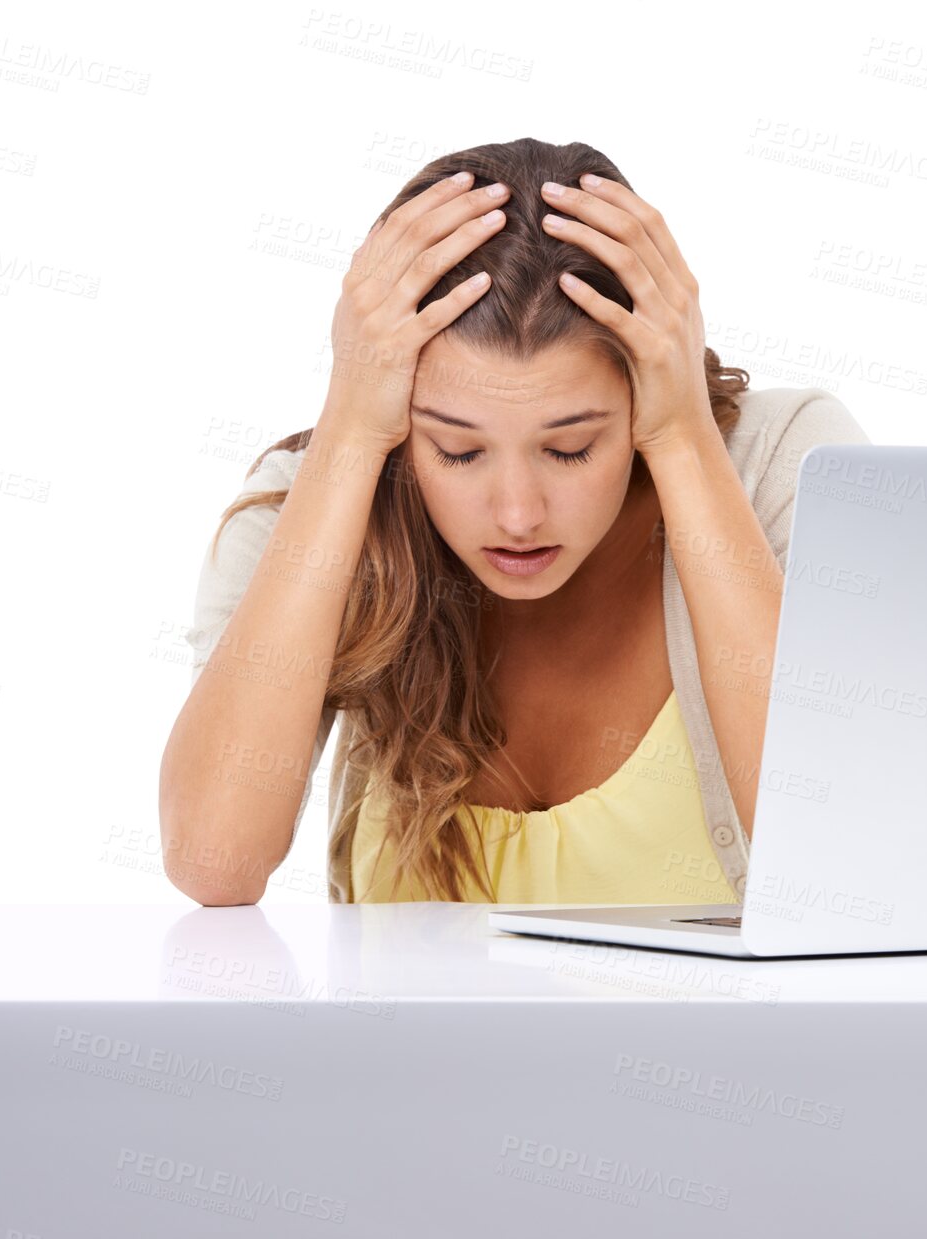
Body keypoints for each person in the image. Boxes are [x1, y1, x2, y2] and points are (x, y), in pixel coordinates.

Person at [159, 138, 870, 905]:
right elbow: (212, 861)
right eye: (458, 450)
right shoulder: (320, 498)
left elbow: (839, 854)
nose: (519, 514)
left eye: (570, 448)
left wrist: (683, 438)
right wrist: (348, 433)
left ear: (641, 397)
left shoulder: (782, 466)